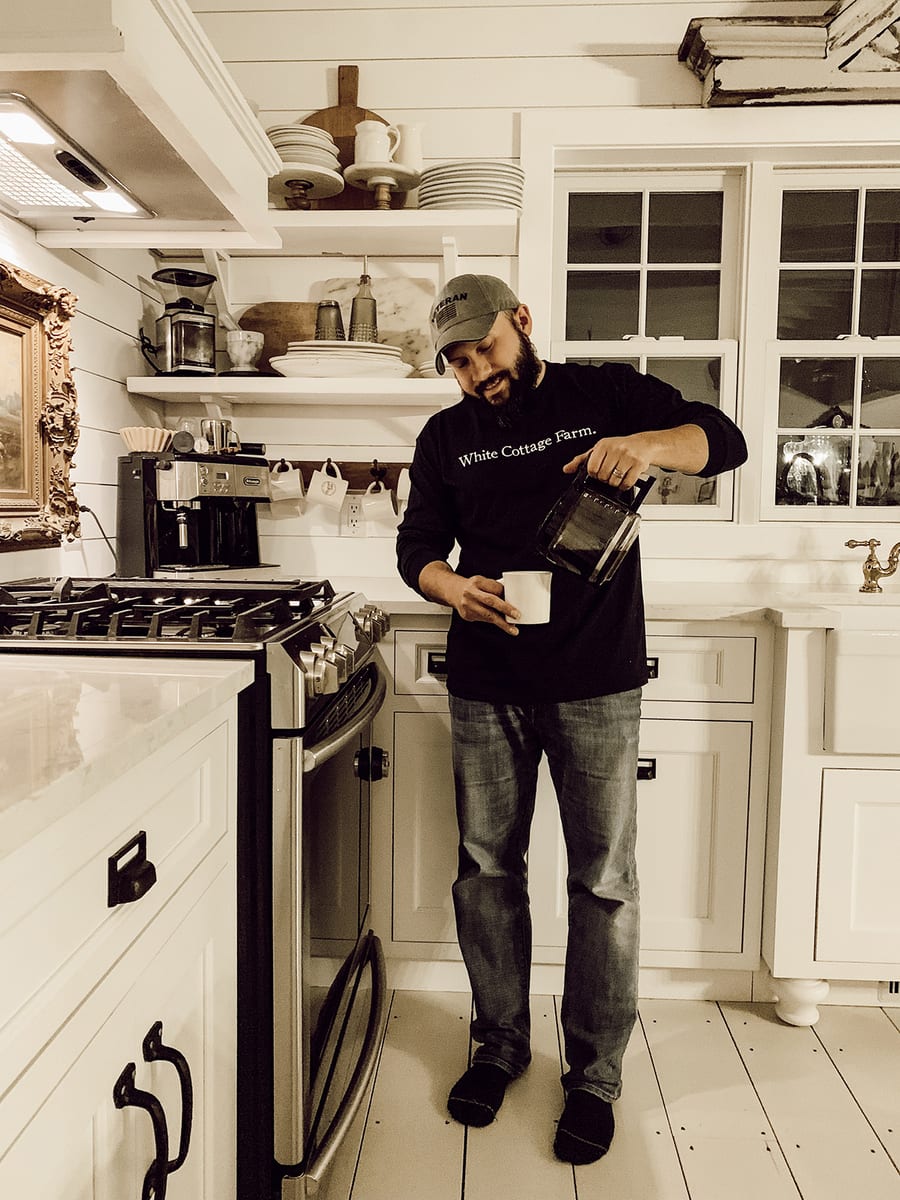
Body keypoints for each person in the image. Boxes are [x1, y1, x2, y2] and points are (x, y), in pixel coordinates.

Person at [395, 274, 747, 1164]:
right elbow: (416, 548)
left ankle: (594, 1074)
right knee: (486, 870)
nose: (478, 372)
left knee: (603, 881)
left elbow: (724, 439)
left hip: (596, 677)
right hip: (486, 679)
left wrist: (647, 446)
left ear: (521, 322)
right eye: (458, 362)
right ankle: (499, 1046)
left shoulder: (604, 394)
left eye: (485, 349)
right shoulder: (445, 438)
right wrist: (452, 588)